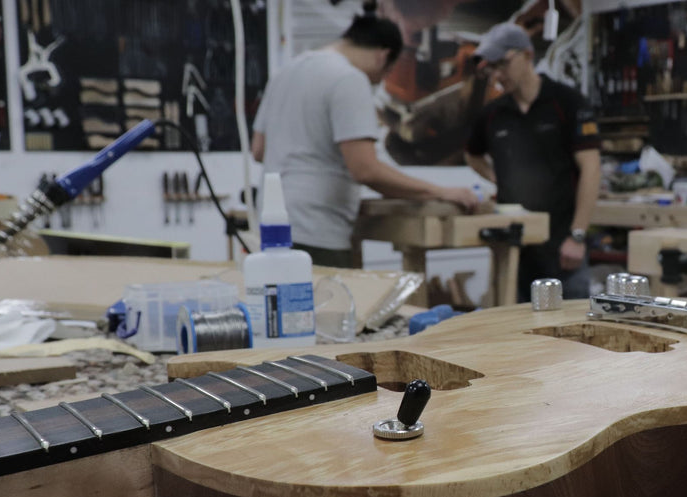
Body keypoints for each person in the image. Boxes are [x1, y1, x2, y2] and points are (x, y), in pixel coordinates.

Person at [251, 2, 479, 268]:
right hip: (316, 229)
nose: (378, 82)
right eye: (383, 76)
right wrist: (440, 192)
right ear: (383, 56)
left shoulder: (285, 73)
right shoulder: (349, 78)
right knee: (326, 295)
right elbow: (366, 170)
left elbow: (259, 150)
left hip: (271, 224)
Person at [464, 23, 600, 302]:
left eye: (503, 63)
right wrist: (499, 178)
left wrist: (577, 235)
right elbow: (472, 155)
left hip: (562, 246)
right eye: (492, 68)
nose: (497, 75)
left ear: (527, 54)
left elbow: (591, 168)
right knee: (512, 325)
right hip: (512, 248)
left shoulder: (567, 102)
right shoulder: (492, 114)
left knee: (572, 325)